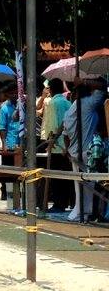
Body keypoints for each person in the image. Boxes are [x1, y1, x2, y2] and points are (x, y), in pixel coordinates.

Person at [63, 78, 107, 222]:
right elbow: (103, 87)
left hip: (74, 152)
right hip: (88, 150)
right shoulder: (88, 103)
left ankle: (81, 211)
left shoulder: (70, 110)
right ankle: (85, 212)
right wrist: (85, 82)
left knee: (80, 185)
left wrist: (67, 149)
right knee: (90, 184)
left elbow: (65, 134)